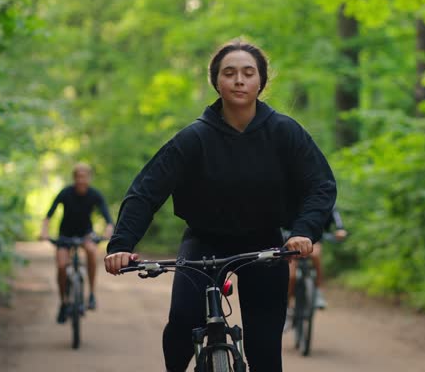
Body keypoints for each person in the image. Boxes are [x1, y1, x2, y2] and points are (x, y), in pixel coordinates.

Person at [104, 39, 336, 372]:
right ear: (217, 82)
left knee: (265, 347)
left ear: (261, 82)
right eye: (229, 73)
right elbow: (146, 190)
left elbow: (320, 185)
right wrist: (122, 245)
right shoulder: (193, 138)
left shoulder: (285, 132)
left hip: (266, 244)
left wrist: (304, 232)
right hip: (205, 241)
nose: (239, 80)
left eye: (248, 73)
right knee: (183, 323)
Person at [40, 162, 114, 323]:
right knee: (61, 266)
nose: (81, 180)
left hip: (86, 234)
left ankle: (92, 294)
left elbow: (108, 219)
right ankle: (64, 302)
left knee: (92, 251)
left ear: (89, 178)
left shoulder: (95, 194)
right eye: (78, 177)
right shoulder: (65, 193)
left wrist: (108, 230)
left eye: (84, 177)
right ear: (74, 178)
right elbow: (48, 215)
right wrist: (44, 232)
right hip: (65, 235)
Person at [287, 205, 347, 312]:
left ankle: (318, 290)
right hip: (292, 240)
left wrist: (340, 229)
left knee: (315, 255)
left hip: (315, 238)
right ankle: (288, 302)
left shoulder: (326, 200)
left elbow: (337, 220)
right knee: (291, 275)